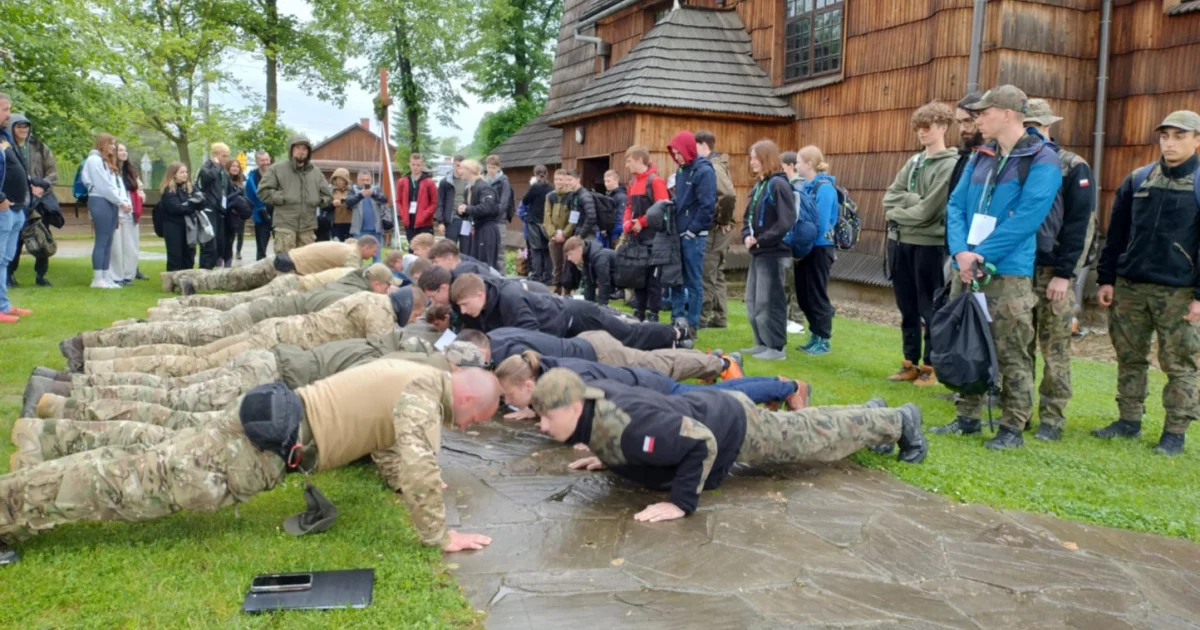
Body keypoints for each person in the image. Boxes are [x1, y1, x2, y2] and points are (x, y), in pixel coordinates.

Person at [0, 361, 501, 565]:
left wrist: (395, 483)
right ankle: (9, 505)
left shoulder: (412, 373)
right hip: (252, 451)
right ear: (469, 400)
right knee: (128, 483)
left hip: (262, 421)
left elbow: (388, 445)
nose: (473, 427)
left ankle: (34, 453)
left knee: (136, 464)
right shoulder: (422, 400)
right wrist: (440, 535)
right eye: (480, 418)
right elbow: (418, 465)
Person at [528, 369, 926, 521]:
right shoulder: (594, 409)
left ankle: (898, 420)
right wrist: (607, 457)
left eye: (548, 416)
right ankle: (871, 415)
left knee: (810, 439)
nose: (543, 426)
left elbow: (698, 443)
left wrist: (681, 503)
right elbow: (619, 433)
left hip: (729, 425)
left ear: (576, 404)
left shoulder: (629, 427)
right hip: (712, 409)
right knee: (807, 428)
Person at [938, 84, 1063, 450]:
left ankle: (1012, 427)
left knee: (1012, 351)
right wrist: (961, 251)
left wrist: (982, 256)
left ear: (1007, 113)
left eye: (984, 112)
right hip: (968, 268)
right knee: (967, 343)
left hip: (1007, 273)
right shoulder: (980, 155)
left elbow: (1028, 217)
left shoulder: (1043, 158)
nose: (977, 119)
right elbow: (955, 206)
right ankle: (968, 417)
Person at [1094, 110, 1200, 456]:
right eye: (1165, 135)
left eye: (1179, 136)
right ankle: (1128, 420)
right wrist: (1106, 278)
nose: (1170, 143)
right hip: (1130, 287)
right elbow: (1116, 235)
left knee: (1180, 364)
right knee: (1129, 357)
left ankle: (1174, 433)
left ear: (1196, 140)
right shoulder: (1139, 180)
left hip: (1178, 292)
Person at [79, 284, 420, 378]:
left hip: (274, 331)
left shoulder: (371, 297)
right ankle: (100, 366)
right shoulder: (379, 312)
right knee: (193, 364)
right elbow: (382, 354)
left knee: (193, 356)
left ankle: (96, 354)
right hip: (276, 343)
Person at [1022, 99, 1096, 441]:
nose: (1032, 130)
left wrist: (1065, 274)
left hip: (1054, 272)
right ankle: (1018, 411)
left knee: (1055, 350)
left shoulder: (1071, 166)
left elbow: (1081, 225)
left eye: (1037, 124)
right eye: (1026, 123)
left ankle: (1052, 418)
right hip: (1019, 270)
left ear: (1049, 125)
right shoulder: (1017, 162)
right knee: (1017, 346)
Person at [882, 101, 959, 386]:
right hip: (899, 242)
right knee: (907, 308)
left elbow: (930, 212)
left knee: (930, 308)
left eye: (926, 127)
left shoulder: (950, 165)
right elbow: (888, 199)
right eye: (918, 128)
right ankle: (909, 363)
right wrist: (910, 205)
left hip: (929, 246)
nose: (921, 133)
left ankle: (931, 366)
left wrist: (901, 212)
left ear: (942, 127)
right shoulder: (913, 161)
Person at [495, 352, 809, 420]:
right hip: (646, 383)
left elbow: (602, 400)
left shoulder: (567, 378)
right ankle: (775, 384)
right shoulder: (549, 369)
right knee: (718, 393)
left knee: (717, 397)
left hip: (655, 390)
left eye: (510, 395)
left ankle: (791, 387)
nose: (509, 400)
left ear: (528, 383)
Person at [451, 272, 692, 350]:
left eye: (465, 305)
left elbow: (530, 337)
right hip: (561, 328)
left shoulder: (509, 298)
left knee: (627, 336)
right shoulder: (478, 307)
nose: (463, 311)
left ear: (480, 295)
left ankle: (677, 333)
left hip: (576, 315)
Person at [477, 327, 741, 382]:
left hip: (599, 354)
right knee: (649, 359)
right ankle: (710, 359)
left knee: (658, 368)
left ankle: (720, 362)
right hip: (589, 343)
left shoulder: (508, 354)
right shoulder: (496, 335)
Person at [163, 237, 377, 296]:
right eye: (372, 253)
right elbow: (352, 275)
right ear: (365, 247)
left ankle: (175, 278)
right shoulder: (352, 254)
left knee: (234, 277)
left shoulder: (345, 245)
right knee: (233, 280)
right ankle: (189, 282)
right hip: (284, 267)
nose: (371, 258)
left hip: (284, 260)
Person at [740, 140, 796, 361]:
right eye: (751, 157)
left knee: (769, 300)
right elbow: (748, 217)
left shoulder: (779, 185)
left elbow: (786, 221)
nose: (752, 161)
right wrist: (746, 235)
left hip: (774, 253)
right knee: (753, 300)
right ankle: (761, 342)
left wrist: (761, 240)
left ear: (767, 158)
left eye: (756, 157)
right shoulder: (760, 186)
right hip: (759, 252)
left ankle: (776, 347)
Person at [665, 131, 716, 329]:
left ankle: (693, 322)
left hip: (693, 237)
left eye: (678, 152)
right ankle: (677, 319)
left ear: (687, 149)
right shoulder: (680, 171)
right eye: (673, 152)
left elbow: (707, 205)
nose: (676, 156)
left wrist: (692, 231)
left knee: (693, 281)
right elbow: (681, 200)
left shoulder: (704, 172)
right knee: (677, 278)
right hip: (679, 233)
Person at [793, 146, 839, 356]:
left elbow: (820, 223)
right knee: (804, 295)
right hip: (805, 248)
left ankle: (824, 339)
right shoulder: (805, 187)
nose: (796, 166)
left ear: (809, 164)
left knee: (817, 294)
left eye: (799, 162)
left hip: (820, 248)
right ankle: (814, 335)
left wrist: (805, 244)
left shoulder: (825, 188)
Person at [6, 113, 58, 287]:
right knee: (17, 239)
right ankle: (10, 274)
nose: (23, 130)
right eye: (19, 126)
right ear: (12, 127)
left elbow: (53, 173)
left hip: (39, 200)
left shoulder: (40, 147)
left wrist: (42, 186)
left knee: (42, 236)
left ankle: (41, 275)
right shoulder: (7, 146)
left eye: (26, 126)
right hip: (18, 199)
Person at [258, 135, 332, 254]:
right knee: (284, 265)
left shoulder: (316, 172)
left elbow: (328, 196)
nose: (301, 151)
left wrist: (318, 200)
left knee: (305, 266)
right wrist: (284, 197)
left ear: (308, 152)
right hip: (284, 226)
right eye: (298, 147)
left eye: (304, 148)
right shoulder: (277, 169)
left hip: (308, 228)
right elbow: (263, 191)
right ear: (291, 149)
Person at [621, 146, 671, 321]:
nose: (627, 165)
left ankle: (654, 313)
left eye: (629, 161)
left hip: (654, 238)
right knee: (638, 275)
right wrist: (626, 223)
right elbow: (628, 206)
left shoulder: (655, 181)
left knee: (653, 279)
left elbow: (663, 208)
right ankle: (639, 311)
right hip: (637, 238)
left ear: (639, 160)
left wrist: (642, 222)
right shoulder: (632, 183)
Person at [694, 131, 735, 329]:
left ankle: (700, 319)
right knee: (717, 273)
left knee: (707, 272)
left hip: (716, 229)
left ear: (702, 145)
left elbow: (727, 195)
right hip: (720, 228)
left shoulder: (713, 166)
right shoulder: (717, 164)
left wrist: (723, 219)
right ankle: (720, 318)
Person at [81, 133, 130, 289]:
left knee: (109, 240)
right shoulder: (94, 160)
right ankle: (97, 277)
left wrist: (120, 200)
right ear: (102, 144)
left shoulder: (106, 162)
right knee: (102, 239)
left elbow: (113, 184)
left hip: (109, 201)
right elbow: (103, 185)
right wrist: (120, 201)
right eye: (110, 143)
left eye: (114, 144)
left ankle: (106, 274)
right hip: (100, 199)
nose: (113, 147)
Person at [0, 94, 34, 321]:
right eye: (4, 109)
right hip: (3, 207)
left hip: (16, 208)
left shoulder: (5, 137)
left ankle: (3, 305)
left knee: (4, 259)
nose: (9, 114)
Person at [456, 159, 503, 271]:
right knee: (476, 264)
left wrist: (467, 208)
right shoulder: (469, 188)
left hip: (487, 230)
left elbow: (487, 208)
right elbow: (471, 210)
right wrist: (462, 211)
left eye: (461, 168)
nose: (459, 171)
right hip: (476, 229)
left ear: (469, 170)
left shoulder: (484, 187)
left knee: (485, 265)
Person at [158, 163, 203, 273]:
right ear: (174, 174)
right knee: (175, 255)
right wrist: (192, 206)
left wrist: (189, 205)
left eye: (186, 172)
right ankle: (172, 281)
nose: (185, 174)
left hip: (189, 226)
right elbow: (176, 208)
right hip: (173, 225)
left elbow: (202, 200)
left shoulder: (189, 187)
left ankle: (188, 279)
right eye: (182, 172)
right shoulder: (168, 189)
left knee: (189, 254)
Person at [779, 151, 805, 329]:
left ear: (790, 165)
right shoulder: (791, 185)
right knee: (788, 281)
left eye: (782, 166)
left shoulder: (799, 186)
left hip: (797, 240)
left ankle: (797, 319)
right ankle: (789, 317)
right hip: (787, 240)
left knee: (795, 282)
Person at [196, 143, 231, 269]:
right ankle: (204, 269)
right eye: (224, 156)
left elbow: (227, 190)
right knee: (209, 243)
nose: (226, 159)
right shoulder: (207, 167)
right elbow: (206, 178)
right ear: (216, 155)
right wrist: (216, 165)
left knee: (220, 243)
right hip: (208, 208)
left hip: (219, 210)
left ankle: (212, 269)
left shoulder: (223, 172)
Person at [345, 170, 388, 263]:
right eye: (362, 180)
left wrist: (373, 194)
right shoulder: (353, 190)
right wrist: (361, 195)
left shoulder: (376, 189)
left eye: (367, 180)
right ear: (357, 180)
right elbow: (348, 202)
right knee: (357, 255)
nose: (365, 182)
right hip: (359, 229)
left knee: (377, 255)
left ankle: (377, 274)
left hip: (376, 229)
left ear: (371, 180)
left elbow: (384, 199)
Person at [522, 165, 554, 283]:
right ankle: (548, 277)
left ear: (535, 174)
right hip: (547, 223)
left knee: (536, 250)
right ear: (547, 173)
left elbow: (525, 201)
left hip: (534, 222)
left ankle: (536, 276)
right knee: (547, 250)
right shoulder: (551, 187)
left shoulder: (535, 187)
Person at [542, 169, 573, 293]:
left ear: (566, 180)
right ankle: (557, 286)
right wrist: (553, 233)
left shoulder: (571, 196)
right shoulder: (550, 196)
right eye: (556, 179)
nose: (558, 182)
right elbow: (547, 216)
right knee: (556, 263)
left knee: (568, 264)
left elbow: (574, 218)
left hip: (568, 236)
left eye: (560, 179)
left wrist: (565, 233)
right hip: (554, 236)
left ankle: (567, 288)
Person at [563, 235, 616, 307]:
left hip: (630, 275)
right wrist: (587, 307)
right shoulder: (587, 259)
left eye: (570, 254)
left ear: (579, 250)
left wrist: (602, 307)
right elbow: (589, 284)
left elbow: (604, 283)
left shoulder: (599, 257)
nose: (569, 258)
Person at [396, 153, 437, 244]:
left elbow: (434, 203)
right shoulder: (402, 182)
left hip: (425, 223)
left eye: (418, 165)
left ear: (422, 166)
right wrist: (403, 214)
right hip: (409, 222)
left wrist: (424, 214)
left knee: (426, 251)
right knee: (412, 250)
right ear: (409, 164)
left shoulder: (429, 182)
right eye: (413, 164)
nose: (415, 167)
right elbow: (398, 201)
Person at [485, 155, 514, 270]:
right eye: (489, 167)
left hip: (499, 219)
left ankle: (502, 276)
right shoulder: (484, 180)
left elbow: (504, 203)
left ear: (498, 168)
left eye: (493, 168)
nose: (491, 170)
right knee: (488, 249)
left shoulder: (504, 181)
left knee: (499, 249)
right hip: (486, 220)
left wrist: (494, 213)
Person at [245, 150, 273, 261]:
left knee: (281, 246)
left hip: (277, 214)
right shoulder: (252, 178)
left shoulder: (276, 174)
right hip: (261, 216)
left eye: (267, 159)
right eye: (262, 160)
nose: (265, 162)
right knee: (261, 248)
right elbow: (249, 197)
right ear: (257, 161)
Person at [428, 239, 502, 278]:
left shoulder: (467, 274)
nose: (433, 266)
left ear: (449, 259)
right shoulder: (458, 268)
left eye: (436, 262)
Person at [225, 159, 251, 263]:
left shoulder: (240, 183)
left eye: (237, 166)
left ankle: (238, 252)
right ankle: (226, 260)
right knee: (228, 240)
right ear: (228, 167)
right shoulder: (225, 181)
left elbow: (244, 197)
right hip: (228, 215)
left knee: (240, 234)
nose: (235, 168)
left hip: (239, 215)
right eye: (233, 166)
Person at [438, 154, 468, 240]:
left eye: (462, 166)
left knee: (466, 250)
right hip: (451, 220)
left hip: (466, 220)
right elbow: (440, 202)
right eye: (457, 165)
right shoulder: (445, 182)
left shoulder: (469, 181)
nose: (459, 168)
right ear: (453, 165)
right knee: (450, 249)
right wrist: (440, 222)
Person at [324, 167, 354, 243]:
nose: (340, 182)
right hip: (335, 223)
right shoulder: (329, 190)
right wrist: (332, 204)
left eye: (343, 179)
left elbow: (354, 203)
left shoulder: (351, 190)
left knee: (349, 245)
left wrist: (345, 202)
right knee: (336, 244)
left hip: (349, 222)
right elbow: (324, 205)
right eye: (338, 179)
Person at [602, 169, 627, 249]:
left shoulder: (621, 197)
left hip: (616, 235)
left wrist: (610, 231)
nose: (606, 184)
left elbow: (620, 218)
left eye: (609, 181)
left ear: (616, 180)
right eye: (605, 181)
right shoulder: (609, 195)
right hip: (608, 233)